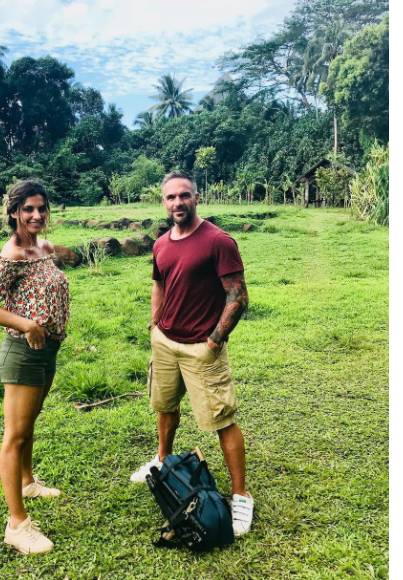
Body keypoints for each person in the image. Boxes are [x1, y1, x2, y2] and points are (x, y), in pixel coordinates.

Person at [131, 171, 254, 537]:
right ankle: (162, 460)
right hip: (166, 343)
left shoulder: (218, 241)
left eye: (184, 195)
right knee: (165, 407)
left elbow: (238, 296)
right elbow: (159, 283)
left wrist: (214, 341)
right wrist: (155, 325)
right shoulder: (161, 244)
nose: (178, 203)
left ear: (196, 198)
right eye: (170, 197)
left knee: (222, 420)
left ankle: (241, 496)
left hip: (203, 349)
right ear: (163, 202)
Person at [0, 181, 70, 555]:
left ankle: (28, 481)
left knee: (28, 426)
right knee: (14, 436)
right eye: (28, 209)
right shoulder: (12, 252)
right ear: (13, 212)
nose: (36, 215)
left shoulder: (42, 248)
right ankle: (17, 524)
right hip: (23, 351)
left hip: (47, 350)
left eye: (42, 208)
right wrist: (27, 324)